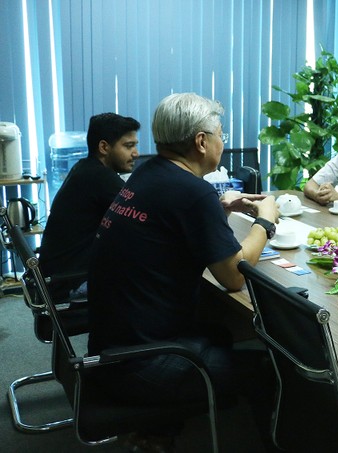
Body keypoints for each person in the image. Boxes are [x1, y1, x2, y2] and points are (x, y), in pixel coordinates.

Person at [86, 93, 278, 449]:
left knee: (219, 333)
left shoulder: (148, 174)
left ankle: (158, 433)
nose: (224, 141)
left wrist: (221, 210)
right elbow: (235, 277)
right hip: (139, 364)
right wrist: (266, 222)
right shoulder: (192, 192)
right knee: (270, 370)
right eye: (221, 133)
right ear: (201, 141)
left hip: (110, 348)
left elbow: (171, 233)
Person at [38, 112, 140, 301]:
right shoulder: (100, 177)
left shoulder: (84, 168)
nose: (136, 153)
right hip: (71, 282)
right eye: (128, 146)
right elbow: (145, 214)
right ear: (104, 147)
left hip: (58, 276)